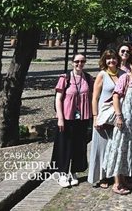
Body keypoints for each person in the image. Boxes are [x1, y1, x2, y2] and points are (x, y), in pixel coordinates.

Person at [52, 54, 93, 188]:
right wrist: (60, 118)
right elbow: (58, 98)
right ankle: (62, 173)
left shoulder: (88, 78)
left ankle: (74, 171)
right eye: (77, 61)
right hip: (67, 117)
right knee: (64, 145)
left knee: (79, 145)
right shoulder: (65, 78)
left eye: (82, 61)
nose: (79, 64)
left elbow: (92, 96)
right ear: (72, 62)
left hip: (82, 118)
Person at [104, 55, 132, 195]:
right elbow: (116, 96)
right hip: (124, 120)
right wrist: (119, 116)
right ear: (130, 65)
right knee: (119, 149)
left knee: (128, 150)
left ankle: (124, 178)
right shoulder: (125, 78)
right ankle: (116, 183)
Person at [88, 49, 125, 188]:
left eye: (114, 58)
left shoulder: (123, 74)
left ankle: (113, 175)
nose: (111, 61)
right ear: (104, 60)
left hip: (117, 116)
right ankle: (101, 177)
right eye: (108, 59)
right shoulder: (102, 75)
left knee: (114, 147)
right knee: (102, 147)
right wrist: (95, 117)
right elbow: (95, 98)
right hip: (103, 117)